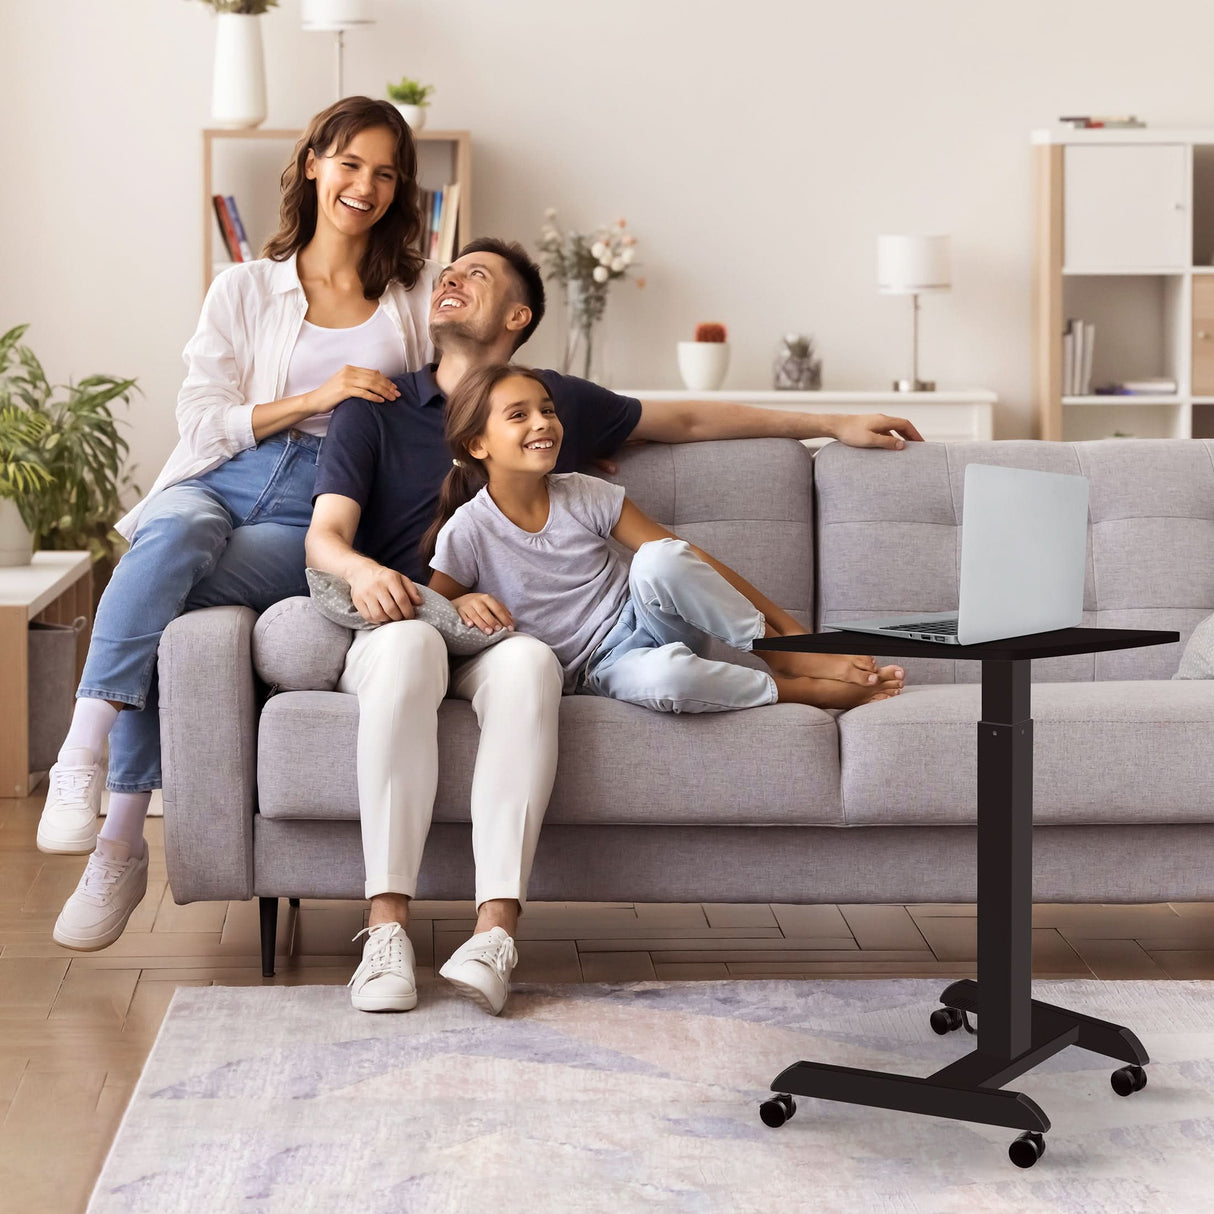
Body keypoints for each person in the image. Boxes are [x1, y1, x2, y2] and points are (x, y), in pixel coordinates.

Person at [306, 237, 917, 1016]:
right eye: (447, 271)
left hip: (514, 639)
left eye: (477, 274)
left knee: (530, 665)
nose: (450, 277)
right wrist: (376, 578)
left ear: (517, 317)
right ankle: (387, 928)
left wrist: (831, 423)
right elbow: (324, 541)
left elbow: (690, 418)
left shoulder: (553, 411)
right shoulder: (377, 408)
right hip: (409, 616)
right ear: (474, 442)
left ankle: (495, 933)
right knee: (413, 649)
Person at [36, 96, 442, 953]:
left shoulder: (408, 300)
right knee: (172, 541)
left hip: (319, 503)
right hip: (222, 473)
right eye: (348, 163)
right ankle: (83, 751)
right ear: (310, 165)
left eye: (384, 172)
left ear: (399, 189)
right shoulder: (248, 286)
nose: (363, 185)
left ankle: (118, 843)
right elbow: (200, 419)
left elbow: (452, 395)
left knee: (171, 605)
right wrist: (317, 396)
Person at [422, 364, 904, 716]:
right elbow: (436, 615)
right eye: (519, 415)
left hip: (652, 618)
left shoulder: (584, 493)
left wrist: (795, 636)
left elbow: (686, 563)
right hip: (602, 670)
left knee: (659, 557)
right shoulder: (468, 530)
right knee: (669, 678)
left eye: (547, 410)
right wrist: (463, 602)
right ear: (477, 444)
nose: (543, 422)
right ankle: (803, 691)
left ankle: (785, 656)